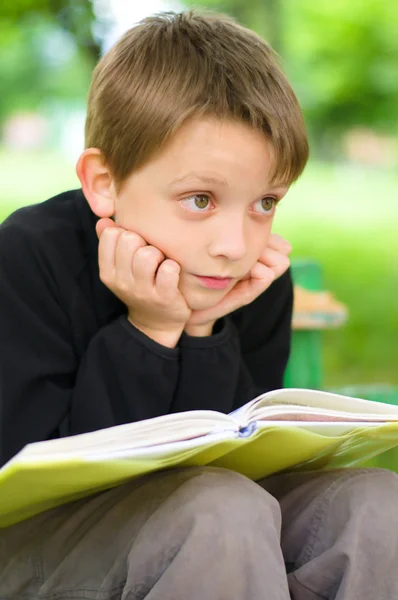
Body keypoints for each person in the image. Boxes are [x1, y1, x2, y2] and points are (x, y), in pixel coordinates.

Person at [0, 10, 397, 600]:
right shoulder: (29, 256)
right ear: (104, 183)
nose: (235, 245)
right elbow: (34, 476)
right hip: (39, 544)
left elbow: (241, 454)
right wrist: (152, 330)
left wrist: (205, 328)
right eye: (201, 200)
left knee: (376, 503)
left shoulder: (245, 283)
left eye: (264, 202)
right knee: (218, 512)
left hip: (215, 523)